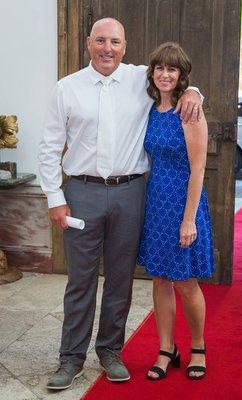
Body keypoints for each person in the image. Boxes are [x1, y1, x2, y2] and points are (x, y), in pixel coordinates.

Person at [38, 18, 203, 390]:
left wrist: (196, 93)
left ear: (125, 47)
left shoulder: (138, 80)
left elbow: (173, 80)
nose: (107, 48)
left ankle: (110, 352)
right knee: (80, 281)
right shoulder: (67, 89)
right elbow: (49, 147)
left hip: (131, 193)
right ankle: (71, 359)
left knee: (119, 281)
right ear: (88, 43)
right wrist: (54, 198)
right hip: (81, 193)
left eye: (114, 41)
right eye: (100, 41)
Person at [138, 42, 215, 381]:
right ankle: (166, 348)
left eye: (173, 69)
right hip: (156, 201)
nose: (165, 74)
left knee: (184, 281)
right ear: (153, 72)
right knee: (159, 278)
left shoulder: (190, 111)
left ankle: (198, 346)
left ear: (182, 75)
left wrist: (188, 219)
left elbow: (198, 168)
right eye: (160, 68)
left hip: (185, 203)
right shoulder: (151, 107)